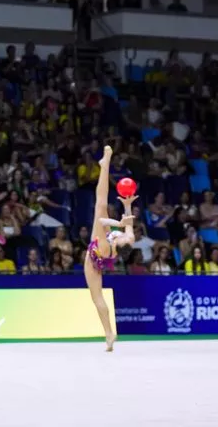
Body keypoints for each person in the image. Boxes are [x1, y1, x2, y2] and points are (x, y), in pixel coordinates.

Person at [83, 146, 135, 352]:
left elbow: (104, 222)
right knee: (101, 204)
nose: (123, 236)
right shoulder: (128, 240)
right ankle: (105, 164)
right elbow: (129, 223)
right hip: (104, 249)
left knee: (97, 298)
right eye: (123, 236)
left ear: (116, 244)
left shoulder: (106, 246)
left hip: (94, 257)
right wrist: (128, 205)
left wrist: (119, 224)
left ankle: (108, 332)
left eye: (120, 237)